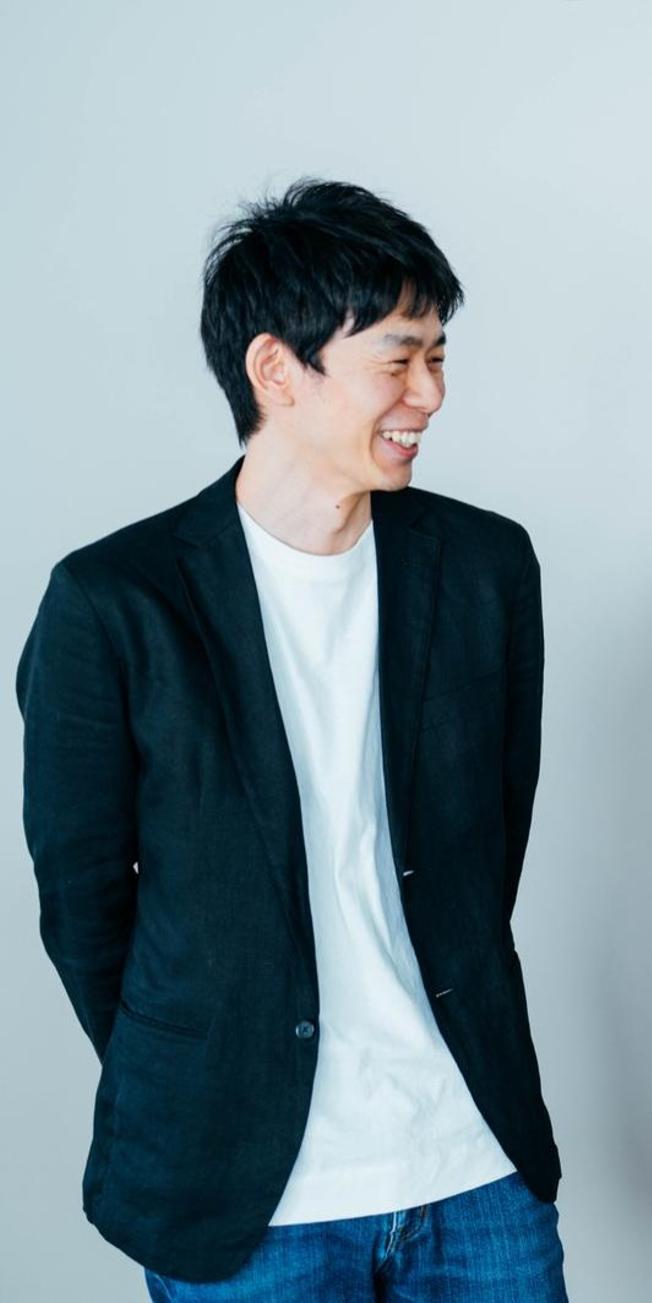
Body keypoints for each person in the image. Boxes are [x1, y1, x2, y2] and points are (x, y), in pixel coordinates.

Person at [17, 179, 566, 1299]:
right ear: (276, 369)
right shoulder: (114, 600)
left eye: (440, 357)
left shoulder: (485, 567)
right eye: (399, 359)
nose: (430, 393)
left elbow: (487, 842)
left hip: (471, 1161)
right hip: (243, 1195)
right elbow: (83, 905)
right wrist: (209, 1060)